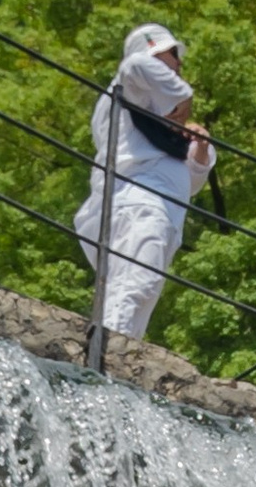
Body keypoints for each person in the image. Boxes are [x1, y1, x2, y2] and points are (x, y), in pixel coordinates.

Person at [75, 23, 216, 353]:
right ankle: (106, 358)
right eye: (172, 54)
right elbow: (134, 65)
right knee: (135, 284)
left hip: (162, 210)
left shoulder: (154, 114)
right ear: (153, 52)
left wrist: (199, 147)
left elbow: (191, 184)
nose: (179, 64)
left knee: (144, 290)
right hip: (140, 202)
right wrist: (183, 98)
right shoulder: (129, 87)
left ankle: (117, 360)